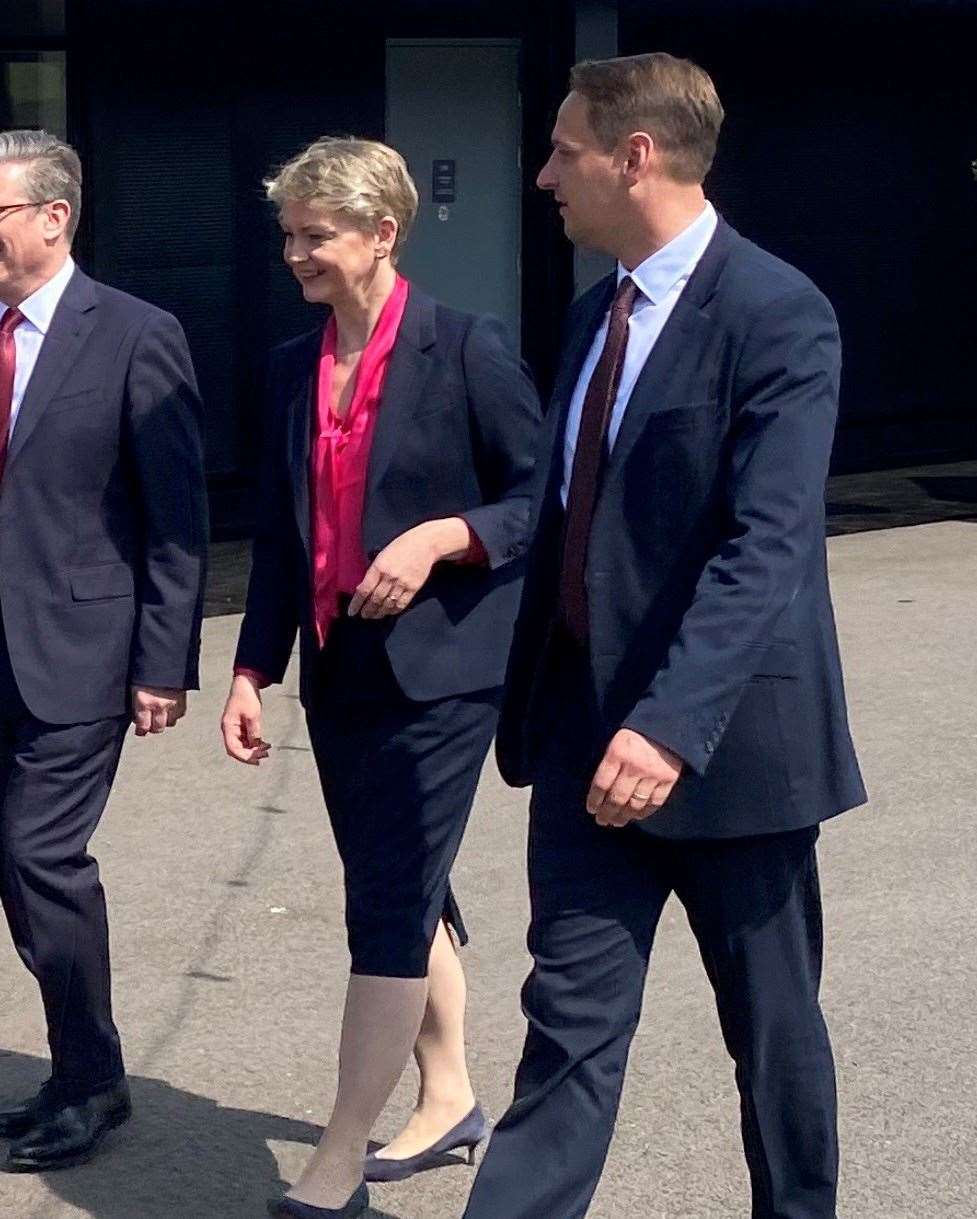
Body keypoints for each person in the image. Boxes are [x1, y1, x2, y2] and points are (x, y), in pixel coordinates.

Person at [464, 54, 866, 1219]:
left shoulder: (777, 312)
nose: (543, 176)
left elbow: (767, 543)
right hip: (584, 743)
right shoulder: (596, 312)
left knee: (773, 1034)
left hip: (727, 749)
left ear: (633, 157)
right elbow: (563, 514)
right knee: (567, 1037)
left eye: (560, 150)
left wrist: (669, 726)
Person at [223, 138, 542, 1219]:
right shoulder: (286, 367)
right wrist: (250, 668)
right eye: (289, 233)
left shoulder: (465, 350)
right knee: (403, 888)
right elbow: (279, 535)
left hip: (447, 671)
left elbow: (537, 498)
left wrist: (443, 534)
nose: (294, 253)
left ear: (381, 233)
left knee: (390, 900)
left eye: (316, 235)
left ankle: (338, 1156)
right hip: (340, 669)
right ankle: (447, 1093)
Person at [0, 129, 207, 1171]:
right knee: (18, 870)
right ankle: (79, 1068)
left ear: (54, 217)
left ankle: (97, 1081)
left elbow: (177, 516)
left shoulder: (135, 334)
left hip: (84, 648)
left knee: (43, 856)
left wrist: (164, 661)